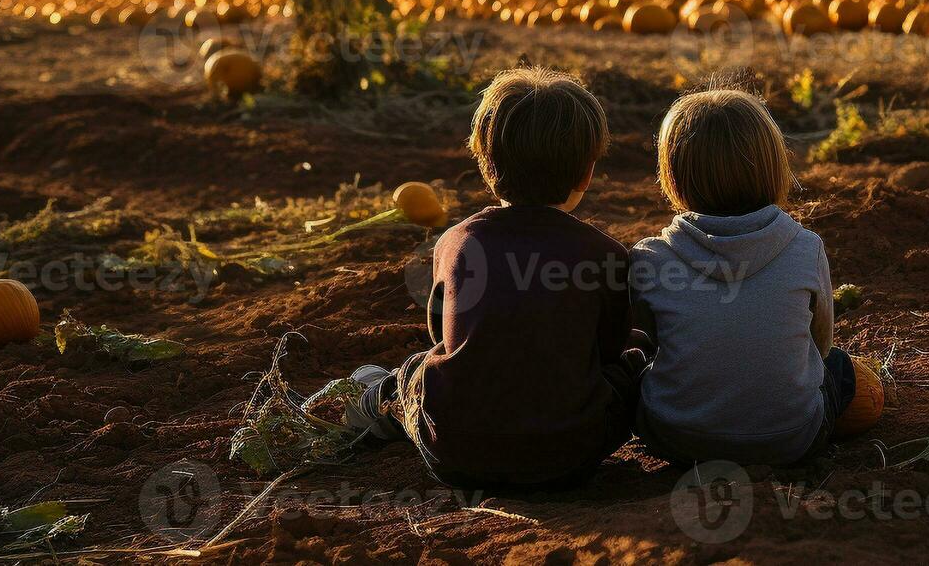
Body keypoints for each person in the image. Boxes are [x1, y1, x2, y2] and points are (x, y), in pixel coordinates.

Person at [346, 68, 643, 488]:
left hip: (455, 452)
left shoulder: (455, 242)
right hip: (569, 458)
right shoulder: (607, 255)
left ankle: (376, 404)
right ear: (586, 173)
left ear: (486, 166)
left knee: (420, 369)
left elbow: (441, 334)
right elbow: (608, 349)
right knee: (635, 364)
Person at [630, 88, 858, 465]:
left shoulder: (650, 258)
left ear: (673, 175)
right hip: (789, 440)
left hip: (675, 440)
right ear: (773, 168)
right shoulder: (806, 247)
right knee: (839, 368)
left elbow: (650, 342)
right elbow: (819, 348)